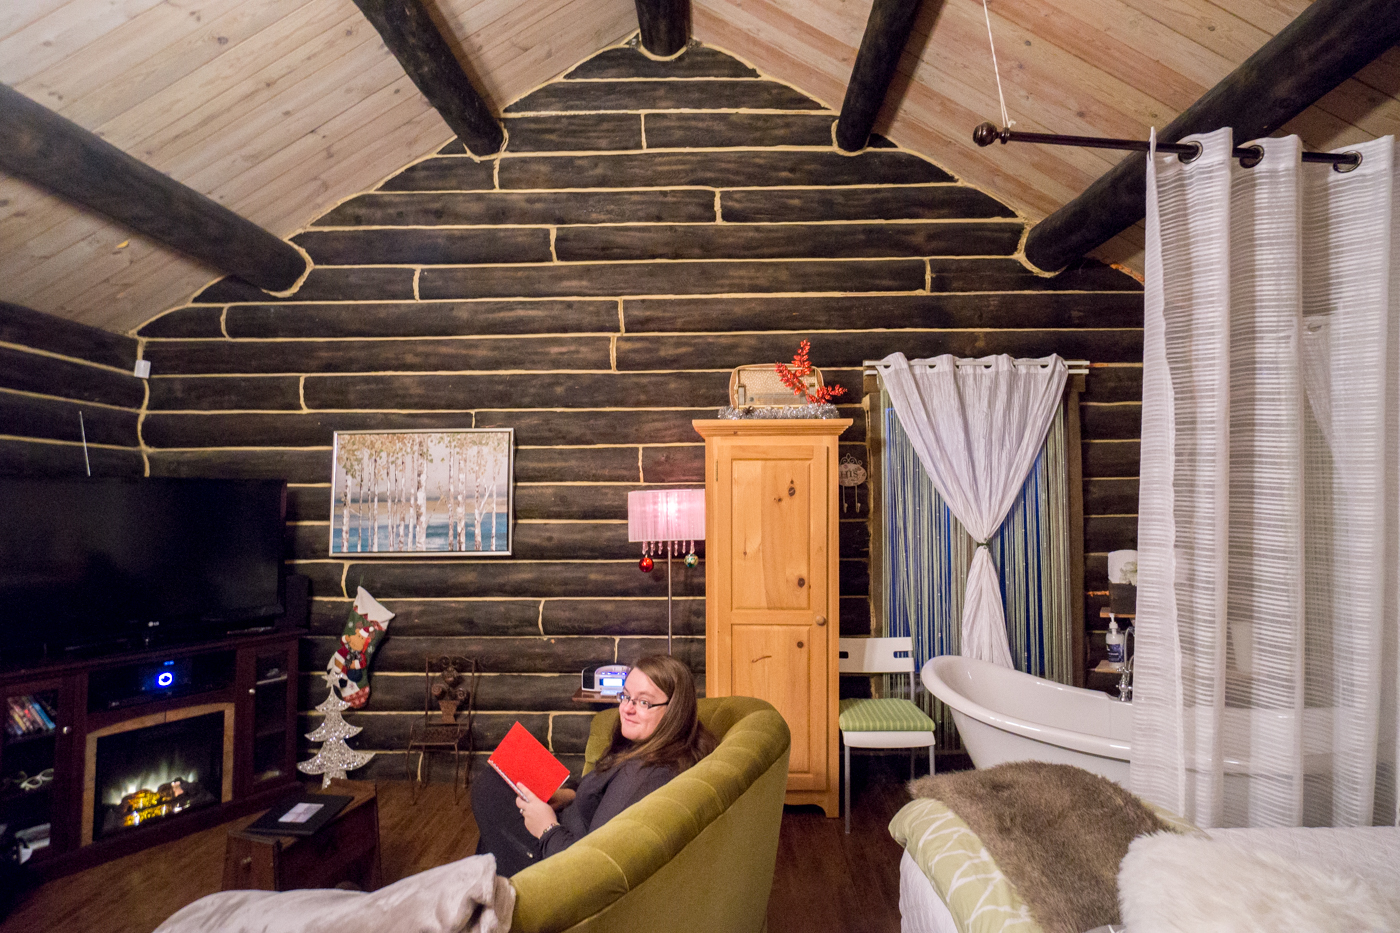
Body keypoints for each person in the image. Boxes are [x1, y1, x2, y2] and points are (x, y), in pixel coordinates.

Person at [472, 654, 717, 876]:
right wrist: (567, 796)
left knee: (489, 787)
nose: (627, 709)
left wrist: (546, 828)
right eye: (626, 696)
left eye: (644, 702)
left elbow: (591, 866)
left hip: (554, 858)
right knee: (500, 792)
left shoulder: (641, 778)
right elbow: (600, 799)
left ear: (675, 710)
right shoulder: (654, 746)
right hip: (563, 827)